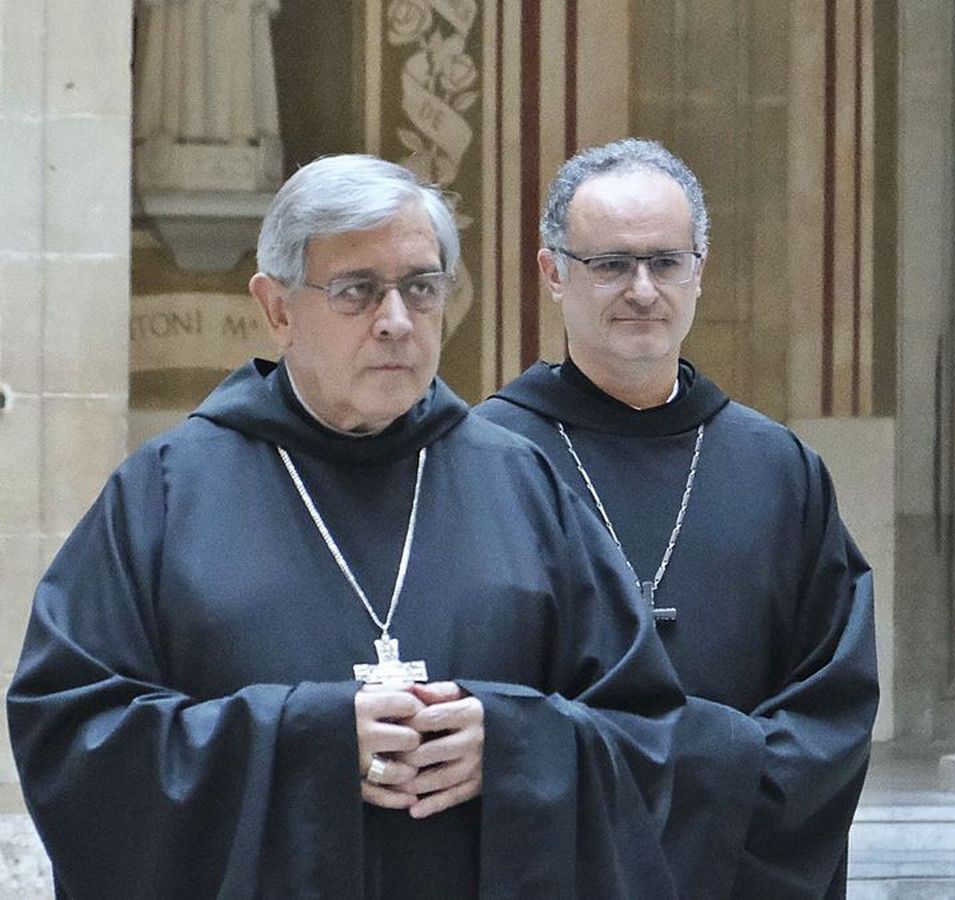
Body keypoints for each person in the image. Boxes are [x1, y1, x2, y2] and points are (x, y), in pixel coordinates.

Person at [8, 154, 684, 897]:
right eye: (358, 291)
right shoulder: (169, 492)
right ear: (277, 308)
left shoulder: (519, 484)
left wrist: (514, 744)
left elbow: (647, 733)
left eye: (421, 289)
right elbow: (74, 738)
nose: (396, 322)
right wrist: (312, 741)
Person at [475, 138, 878, 898]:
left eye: (666, 262)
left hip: (744, 874)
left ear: (699, 273)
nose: (642, 289)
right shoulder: (482, 463)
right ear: (553, 273)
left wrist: (724, 832)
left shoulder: (778, 468)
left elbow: (832, 704)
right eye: (611, 264)